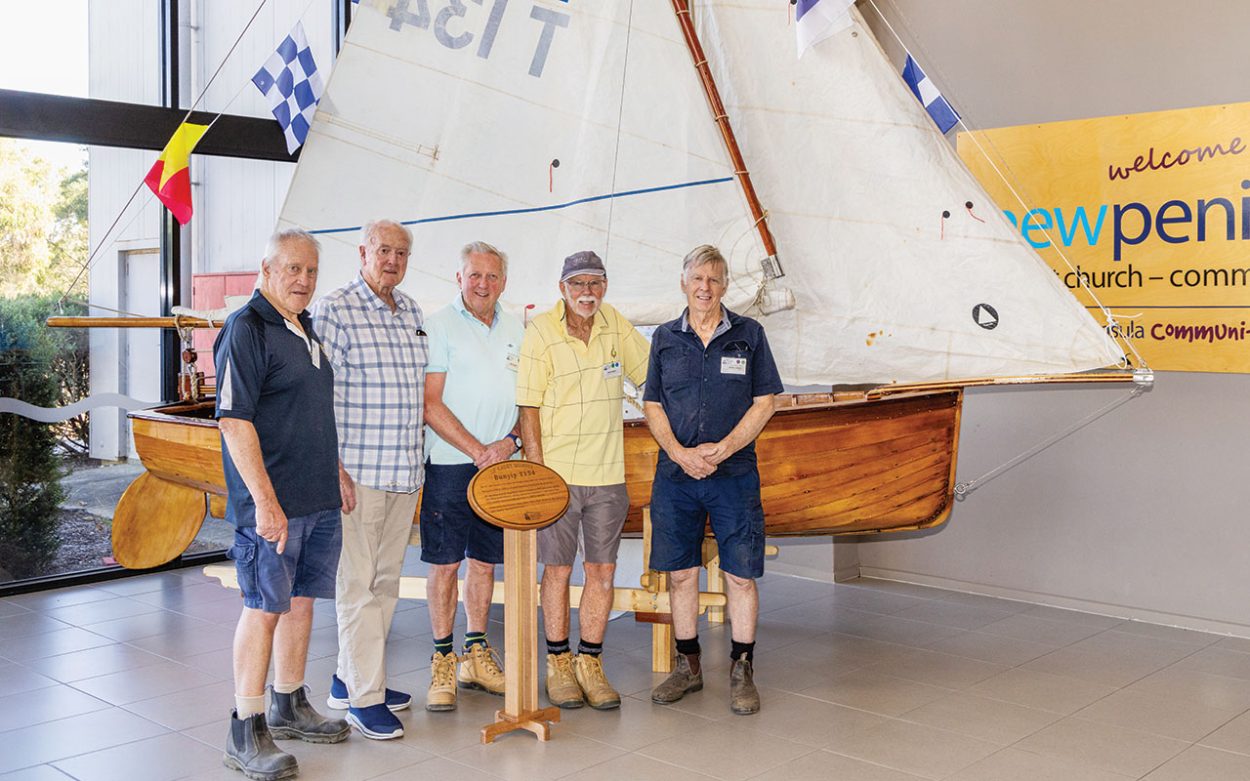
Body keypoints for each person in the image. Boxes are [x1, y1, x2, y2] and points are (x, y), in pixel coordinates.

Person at [216, 229, 352, 780]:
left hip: (316, 496)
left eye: (312, 271)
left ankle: (288, 703)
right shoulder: (246, 329)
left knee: (300, 602)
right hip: (273, 507)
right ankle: (244, 730)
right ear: (267, 270)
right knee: (264, 607)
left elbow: (310, 409)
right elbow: (234, 420)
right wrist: (265, 502)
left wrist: (335, 469)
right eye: (293, 269)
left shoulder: (305, 326)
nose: (304, 280)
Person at [643, 245, 783, 716]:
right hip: (676, 475)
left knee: (739, 576)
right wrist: (680, 454)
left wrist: (724, 448)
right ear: (683, 282)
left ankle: (742, 671)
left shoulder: (750, 335)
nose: (706, 287)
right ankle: (688, 667)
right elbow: (653, 405)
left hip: (734, 474)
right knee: (681, 574)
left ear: (726, 285)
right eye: (698, 278)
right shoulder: (664, 338)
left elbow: (765, 401)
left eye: (715, 279)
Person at [516, 250, 650, 710]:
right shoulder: (541, 332)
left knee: (602, 570)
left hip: (608, 474)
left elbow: (652, 374)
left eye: (595, 284)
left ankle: (590, 661)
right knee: (556, 570)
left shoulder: (615, 324)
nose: (587, 293)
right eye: (578, 284)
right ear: (562, 289)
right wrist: (538, 473)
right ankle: (558, 662)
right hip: (558, 476)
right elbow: (528, 407)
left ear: (605, 288)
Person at [310, 219, 427, 740]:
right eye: (384, 250)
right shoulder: (336, 310)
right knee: (357, 587)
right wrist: (333, 468)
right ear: (362, 252)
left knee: (383, 584)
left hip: (403, 473)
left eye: (401, 253)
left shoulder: (414, 313)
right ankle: (364, 699)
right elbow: (317, 396)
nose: (392, 261)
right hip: (358, 474)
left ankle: (350, 678)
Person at [420, 241, 524, 710]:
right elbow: (430, 403)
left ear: (503, 281)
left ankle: (476, 653)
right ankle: (443, 659)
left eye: (492, 276)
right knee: (445, 564)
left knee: (485, 562)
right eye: (474, 275)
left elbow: (530, 401)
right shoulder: (437, 326)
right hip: (450, 462)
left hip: (502, 463)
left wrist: (510, 443)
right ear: (458, 278)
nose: (483, 284)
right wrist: (477, 448)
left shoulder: (517, 330)